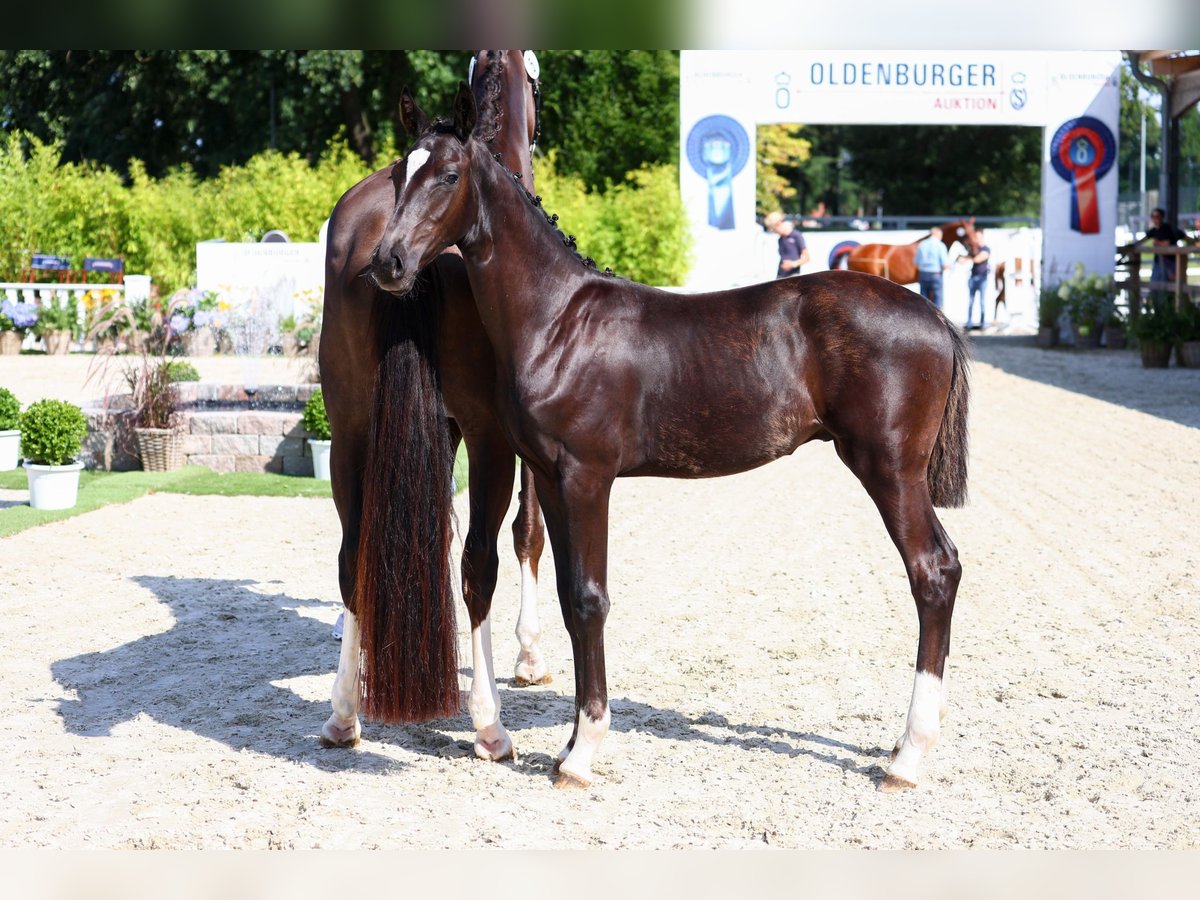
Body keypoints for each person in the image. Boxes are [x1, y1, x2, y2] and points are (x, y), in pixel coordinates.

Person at [1137, 207, 1192, 286]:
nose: (1155, 219)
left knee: (1170, 283)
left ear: (1162, 217)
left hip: (1170, 261)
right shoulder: (1153, 230)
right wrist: (1133, 245)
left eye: (1157, 217)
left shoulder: (1167, 228)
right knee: (1156, 283)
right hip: (1159, 261)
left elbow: (1168, 243)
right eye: (1153, 217)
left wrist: (1157, 243)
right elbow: (1143, 239)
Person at [957, 227, 991, 329]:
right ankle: (969, 323)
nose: (977, 239)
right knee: (971, 302)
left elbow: (978, 259)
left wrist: (967, 258)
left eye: (978, 237)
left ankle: (982, 323)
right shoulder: (973, 249)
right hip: (973, 277)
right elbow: (961, 260)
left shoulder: (986, 249)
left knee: (982, 302)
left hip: (982, 278)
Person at [764, 211, 810, 278]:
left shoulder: (796, 236)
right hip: (781, 275)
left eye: (774, 230)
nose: (775, 232)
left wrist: (793, 264)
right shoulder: (780, 240)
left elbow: (807, 258)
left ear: (779, 224)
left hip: (793, 276)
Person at [914, 226, 951, 308]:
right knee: (937, 300)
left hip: (923, 274)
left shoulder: (922, 244)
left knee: (924, 300)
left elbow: (916, 262)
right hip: (935, 274)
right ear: (937, 234)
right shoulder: (940, 245)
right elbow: (945, 264)